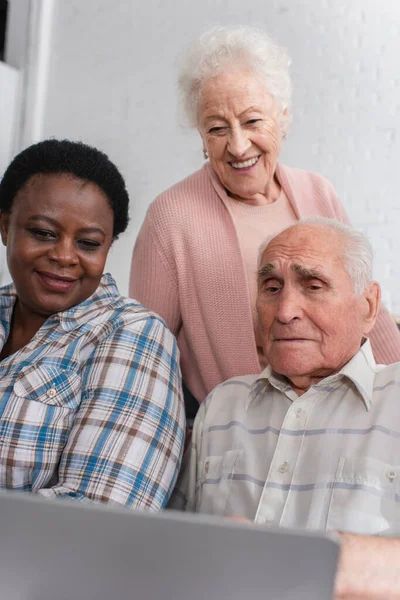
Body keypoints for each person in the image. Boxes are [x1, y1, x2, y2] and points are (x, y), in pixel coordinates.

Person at [130, 25, 400, 410]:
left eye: (253, 121)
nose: (238, 146)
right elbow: (144, 356)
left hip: (339, 419)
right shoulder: (170, 217)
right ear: (201, 138)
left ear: (283, 117)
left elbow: (366, 313)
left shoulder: (317, 192)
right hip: (240, 432)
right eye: (217, 128)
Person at [170, 218, 400, 598]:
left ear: (369, 306)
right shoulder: (223, 406)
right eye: (271, 288)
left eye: (313, 286)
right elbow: (172, 545)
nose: (285, 310)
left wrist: (299, 561)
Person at [0, 139, 185, 510]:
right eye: (43, 233)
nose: (64, 256)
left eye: (87, 243)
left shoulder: (131, 334)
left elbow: (98, 517)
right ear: (5, 227)